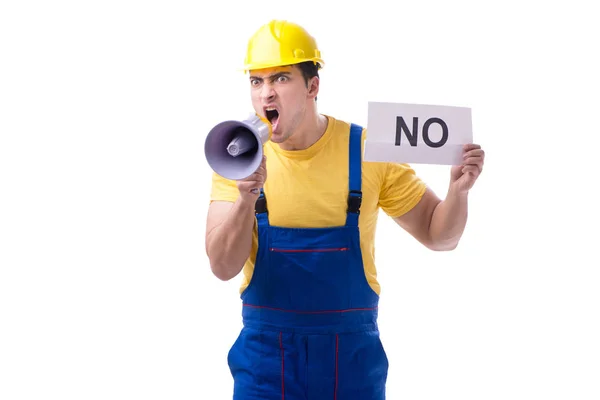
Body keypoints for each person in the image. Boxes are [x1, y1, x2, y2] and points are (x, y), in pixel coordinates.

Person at [205, 19, 485, 400]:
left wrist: (459, 191)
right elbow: (222, 267)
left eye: (281, 79)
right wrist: (245, 198)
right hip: (265, 364)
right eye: (257, 81)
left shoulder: (368, 150)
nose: (266, 94)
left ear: (313, 86)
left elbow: (441, 236)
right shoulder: (237, 158)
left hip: (351, 364)